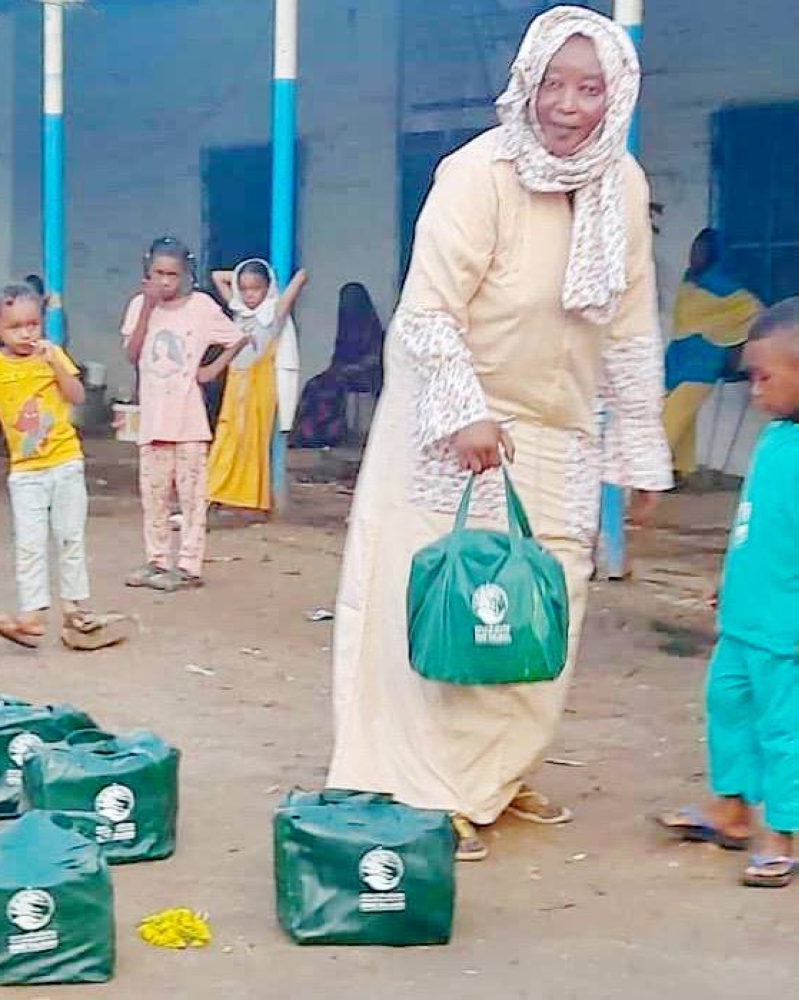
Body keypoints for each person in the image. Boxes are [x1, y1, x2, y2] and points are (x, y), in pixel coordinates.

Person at [327, 6, 672, 862]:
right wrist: (464, 410)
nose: (566, 105)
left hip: (558, 426)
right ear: (525, 83)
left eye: (588, 87)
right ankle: (425, 788)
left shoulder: (618, 185)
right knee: (457, 599)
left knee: (546, 601)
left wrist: (638, 449)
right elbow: (426, 313)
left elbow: (629, 325)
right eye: (552, 83)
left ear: (615, 93)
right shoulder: (476, 174)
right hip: (454, 421)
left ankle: (495, 776)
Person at [655, 298, 799, 889]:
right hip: (743, 620)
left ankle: (782, 831)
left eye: (765, 378)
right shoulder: (773, 442)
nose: (754, 391)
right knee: (728, 709)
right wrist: (728, 580)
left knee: (784, 729)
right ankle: (732, 809)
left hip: (785, 633)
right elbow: (754, 523)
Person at [0, 282, 127, 650]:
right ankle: (31, 615)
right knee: (30, 544)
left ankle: (75, 610)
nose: (25, 333)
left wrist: (55, 363)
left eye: (32, 324)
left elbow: (78, 396)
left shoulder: (51, 355)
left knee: (70, 537)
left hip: (65, 462)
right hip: (25, 471)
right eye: (15, 326)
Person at [121, 236, 244, 592]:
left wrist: (212, 369)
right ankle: (156, 560)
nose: (165, 282)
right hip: (154, 420)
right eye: (158, 273)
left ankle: (189, 565)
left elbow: (238, 337)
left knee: (191, 497)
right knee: (154, 494)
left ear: (186, 274)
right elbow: (132, 352)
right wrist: (146, 307)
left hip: (189, 422)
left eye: (172, 274)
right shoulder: (138, 307)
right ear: (147, 273)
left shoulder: (201, 307)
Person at [205, 259, 307, 516]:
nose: (250, 295)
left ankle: (244, 499)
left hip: (258, 386)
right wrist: (240, 275)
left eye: (256, 288)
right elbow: (218, 275)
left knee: (251, 442)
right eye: (245, 288)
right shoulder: (239, 310)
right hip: (236, 382)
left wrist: (277, 278)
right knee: (228, 436)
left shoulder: (273, 312)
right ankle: (217, 490)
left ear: (268, 287)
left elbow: (301, 278)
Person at [662, 228, 761, 484]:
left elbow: (755, 310)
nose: (695, 256)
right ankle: (679, 470)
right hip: (678, 356)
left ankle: (651, 477)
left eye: (701, 251)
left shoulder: (722, 284)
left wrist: (733, 340)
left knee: (668, 419)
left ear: (713, 254)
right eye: (693, 249)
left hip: (703, 361)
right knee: (683, 420)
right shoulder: (689, 279)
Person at [289, 282, 384, 449]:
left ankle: (329, 435)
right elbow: (339, 357)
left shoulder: (372, 327)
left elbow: (376, 359)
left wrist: (352, 369)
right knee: (315, 385)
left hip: (368, 376)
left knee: (331, 390)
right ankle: (308, 436)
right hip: (346, 373)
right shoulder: (346, 327)